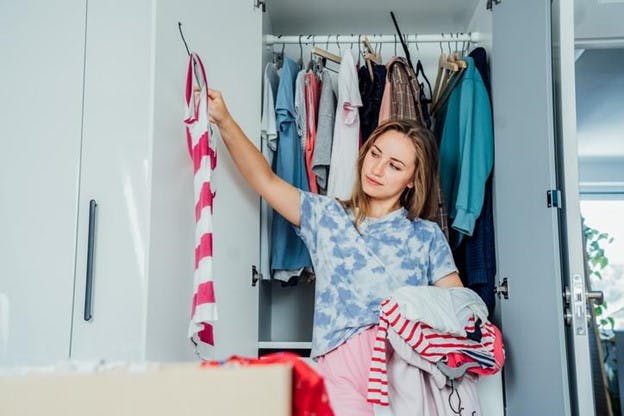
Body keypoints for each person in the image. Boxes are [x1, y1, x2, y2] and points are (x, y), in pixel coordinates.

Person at [207, 88, 463, 415]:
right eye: (375, 153)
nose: (377, 168)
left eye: (395, 165)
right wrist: (224, 120)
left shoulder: (426, 236)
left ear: (413, 179)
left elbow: (458, 311)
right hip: (338, 368)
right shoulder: (327, 217)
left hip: (403, 371)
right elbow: (265, 180)